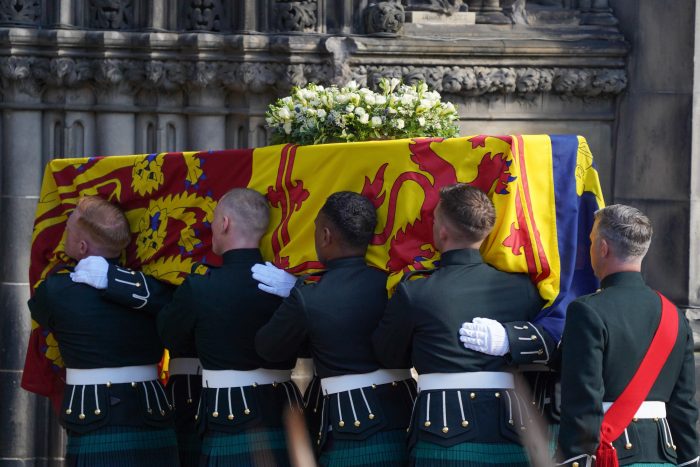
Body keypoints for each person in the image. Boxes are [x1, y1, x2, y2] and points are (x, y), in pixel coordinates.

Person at [372, 183, 544, 467]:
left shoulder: (416, 291)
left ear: (442, 231)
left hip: (441, 434)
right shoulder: (523, 289)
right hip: (510, 431)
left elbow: (388, 355)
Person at [255, 191, 416, 467]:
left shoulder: (309, 295)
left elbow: (268, 348)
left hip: (352, 427)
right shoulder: (393, 284)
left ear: (326, 235)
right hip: (406, 417)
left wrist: (296, 296)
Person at [28, 195, 180, 466]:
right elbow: (172, 302)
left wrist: (107, 278)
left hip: (92, 415)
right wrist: (118, 280)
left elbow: (40, 311)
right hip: (152, 411)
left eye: (68, 229)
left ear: (82, 246)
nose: (64, 234)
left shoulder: (55, 291)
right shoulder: (152, 290)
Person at [158, 188, 300, 466]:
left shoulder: (200, 288)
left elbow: (169, 336)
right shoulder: (287, 286)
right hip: (283, 411)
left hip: (227, 414)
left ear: (224, 223)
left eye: (213, 219)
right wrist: (299, 290)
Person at [556, 204, 698, 467]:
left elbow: (582, 402)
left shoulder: (587, 310)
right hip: (664, 456)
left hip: (611, 455)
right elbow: (684, 406)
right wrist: (690, 460)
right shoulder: (674, 315)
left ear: (603, 248)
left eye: (591, 241)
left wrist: (573, 459)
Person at [72, 254, 203, 467]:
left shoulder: (59, 289)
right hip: (167, 401)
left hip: (175, 401)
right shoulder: (58, 289)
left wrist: (115, 278)